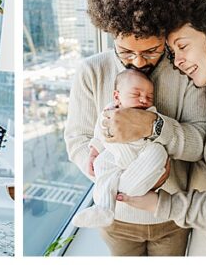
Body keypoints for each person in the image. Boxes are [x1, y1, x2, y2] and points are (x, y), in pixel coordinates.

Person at [64, 0, 206, 256]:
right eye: (126, 51)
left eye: (152, 50)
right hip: (116, 218)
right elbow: (76, 139)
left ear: (166, 34)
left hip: (170, 217)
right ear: (109, 32)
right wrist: (113, 175)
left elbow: (197, 144)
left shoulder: (185, 70)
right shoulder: (91, 71)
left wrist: (154, 126)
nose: (139, 61)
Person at [118, 0, 206, 256]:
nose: (178, 61)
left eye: (182, 47)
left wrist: (162, 205)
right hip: (201, 236)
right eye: (172, 52)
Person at [73, 70, 171, 228]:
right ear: (117, 96)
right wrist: (93, 152)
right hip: (115, 154)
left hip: (140, 155)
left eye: (149, 96)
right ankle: (103, 207)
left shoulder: (150, 113)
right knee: (101, 165)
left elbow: (157, 134)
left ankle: (124, 191)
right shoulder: (107, 113)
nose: (144, 99)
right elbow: (99, 135)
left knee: (158, 153)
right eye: (136, 94)